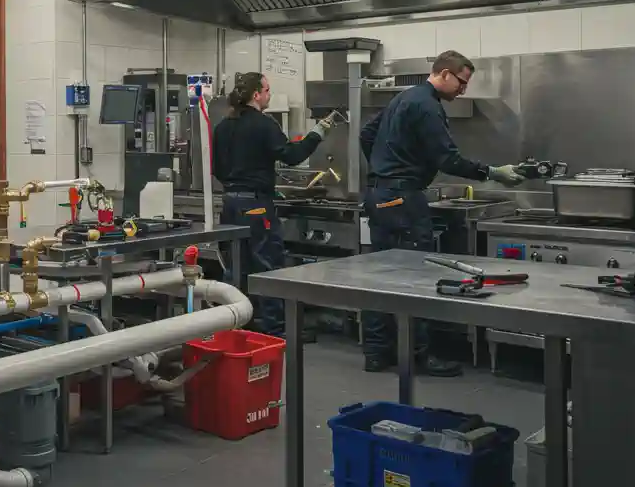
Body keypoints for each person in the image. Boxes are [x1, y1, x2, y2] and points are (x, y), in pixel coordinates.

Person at [358, 50, 526, 376]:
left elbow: (367, 134)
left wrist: (384, 169)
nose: (464, 89)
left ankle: (377, 353)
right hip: (402, 197)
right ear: (445, 74)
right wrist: (493, 172)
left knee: (379, 274)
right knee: (414, 275)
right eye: (462, 82)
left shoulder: (405, 98)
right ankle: (420, 355)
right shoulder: (428, 107)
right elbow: (447, 160)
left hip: (380, 195)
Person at [213, 71, 334, 338]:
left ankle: (235, 325)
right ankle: (274, 330)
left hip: (231, 203)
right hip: (256, 207)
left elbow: (218, 169)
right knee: (266, 265)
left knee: (237, 266)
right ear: (256, 94)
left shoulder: (223, 126)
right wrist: (317, 133)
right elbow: (292, 155)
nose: (269, 95)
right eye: (267, 90)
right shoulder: (263, 124)